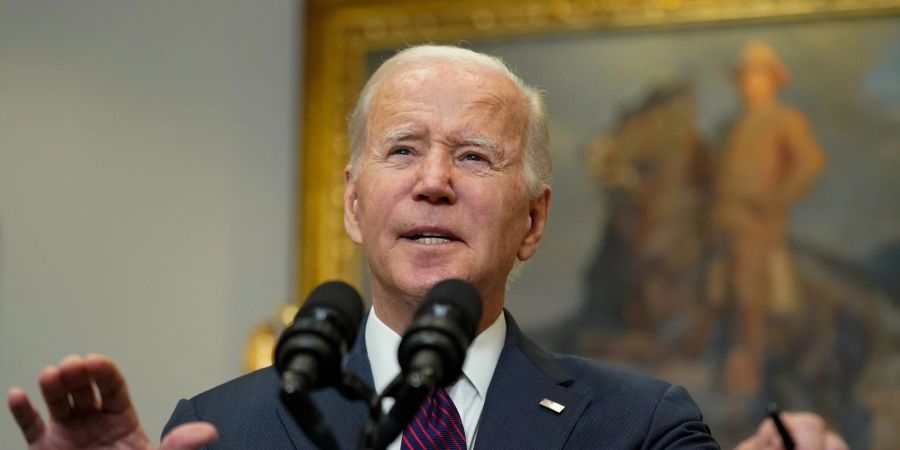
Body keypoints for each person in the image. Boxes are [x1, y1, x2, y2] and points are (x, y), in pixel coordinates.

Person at [7, 45, 845, 450]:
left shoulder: (641, 430)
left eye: (475, 156)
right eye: (402, 149)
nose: (434, 182)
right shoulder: (223, 428)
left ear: (535, 219)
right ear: (353, 200)